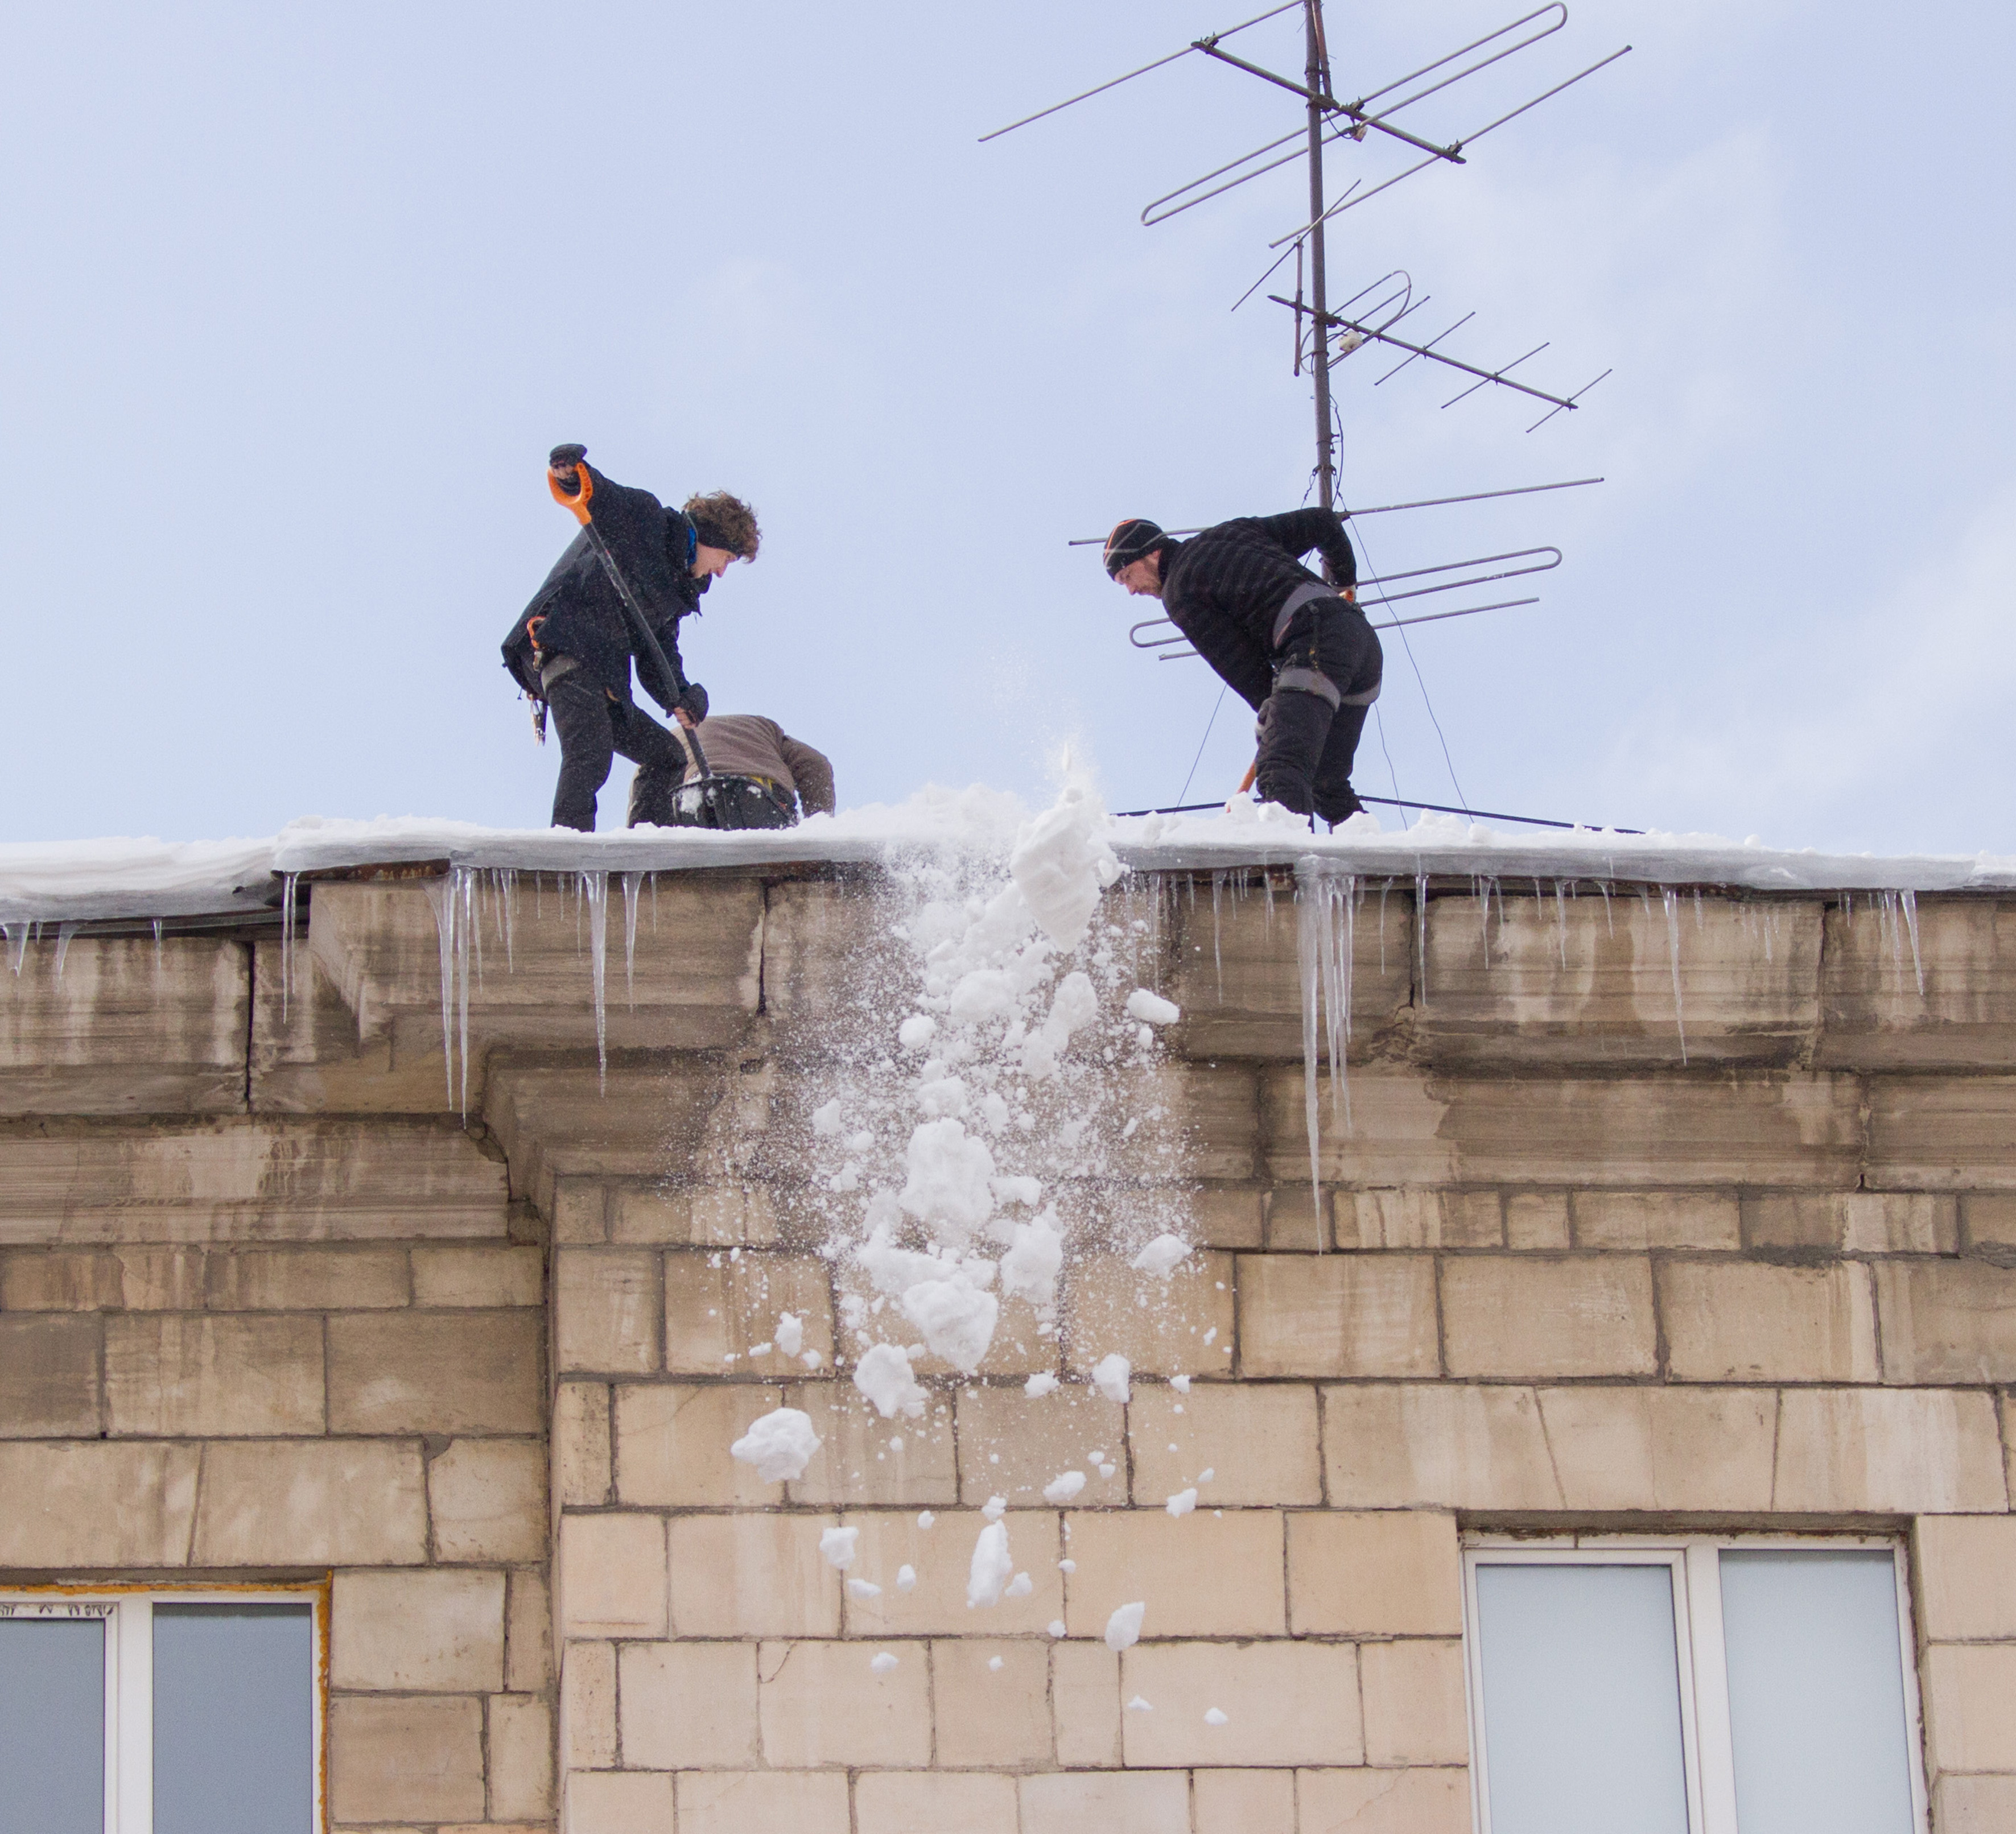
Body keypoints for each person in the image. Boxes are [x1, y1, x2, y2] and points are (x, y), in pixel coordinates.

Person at [501, 448, 760, 831]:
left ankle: (643, 844)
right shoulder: (647, 521)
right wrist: (571, 475)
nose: (721, 572)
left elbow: (658, 654)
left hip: (604, 674)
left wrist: (680, 695)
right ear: (706, 538)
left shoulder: (677, 588)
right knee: (589, 755)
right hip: (565, 644)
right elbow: (604, 498)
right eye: (725, 557)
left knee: (667, 757)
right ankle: (568, 855)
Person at [1104, 507, 1381, 827]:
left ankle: (1287, 868)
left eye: (1127, 576)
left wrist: (1272, 712)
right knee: (1323, 782)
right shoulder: (1234, 533)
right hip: (1362, 646)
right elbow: (1323, 523)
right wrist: (1345, 584)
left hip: (1315, 643)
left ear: (1151, 553)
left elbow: (1240, 665)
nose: (1131, 590)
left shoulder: (1179, 590)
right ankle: (1374, 854)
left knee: (1279, 768)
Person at [629, 714, 835, 831]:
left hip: (693, 798)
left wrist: (640, 842)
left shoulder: (670, 740)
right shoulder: (766, 730)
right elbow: (815, 764)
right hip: (759, 798)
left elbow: (644, 789)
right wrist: (818, 826)